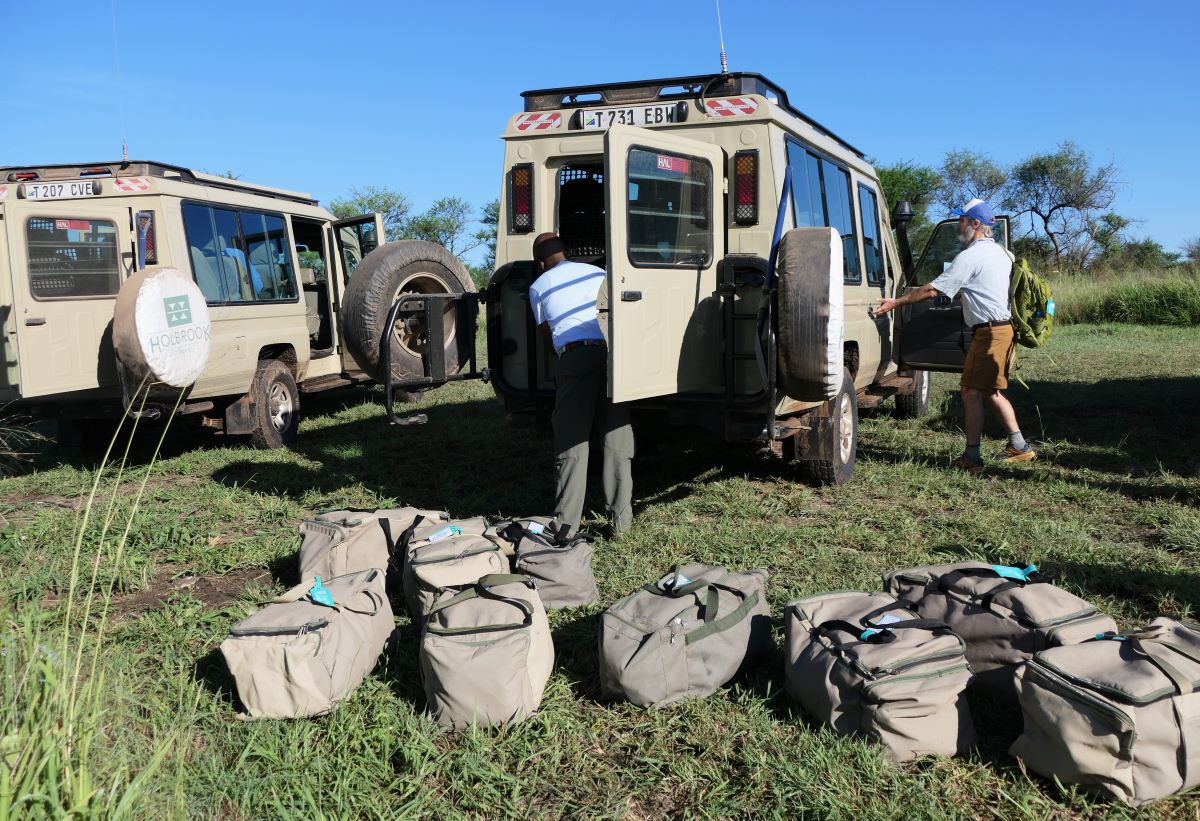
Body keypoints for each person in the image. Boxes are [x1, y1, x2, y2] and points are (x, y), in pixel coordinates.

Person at [875, 199, 1036, 473]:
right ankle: (1018, 446)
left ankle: (973, 458)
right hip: (999, 330)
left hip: (991, 333)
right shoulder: (1003, 253)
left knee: (971, 392)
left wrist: (897, 302)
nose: (958, 225)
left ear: (975, 224)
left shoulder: (971, 256)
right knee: (988, 392)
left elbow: (932, 291)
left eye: (962, 220)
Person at [527, 232, 635, 533]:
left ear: (540, 263)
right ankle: (621, 523)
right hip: (613, 356)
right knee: (616, 439)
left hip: (575, 356)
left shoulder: (538, 286)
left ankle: (566, 526)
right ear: (566, 252)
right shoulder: (599, 273)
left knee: (572, 442)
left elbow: (548, 336)